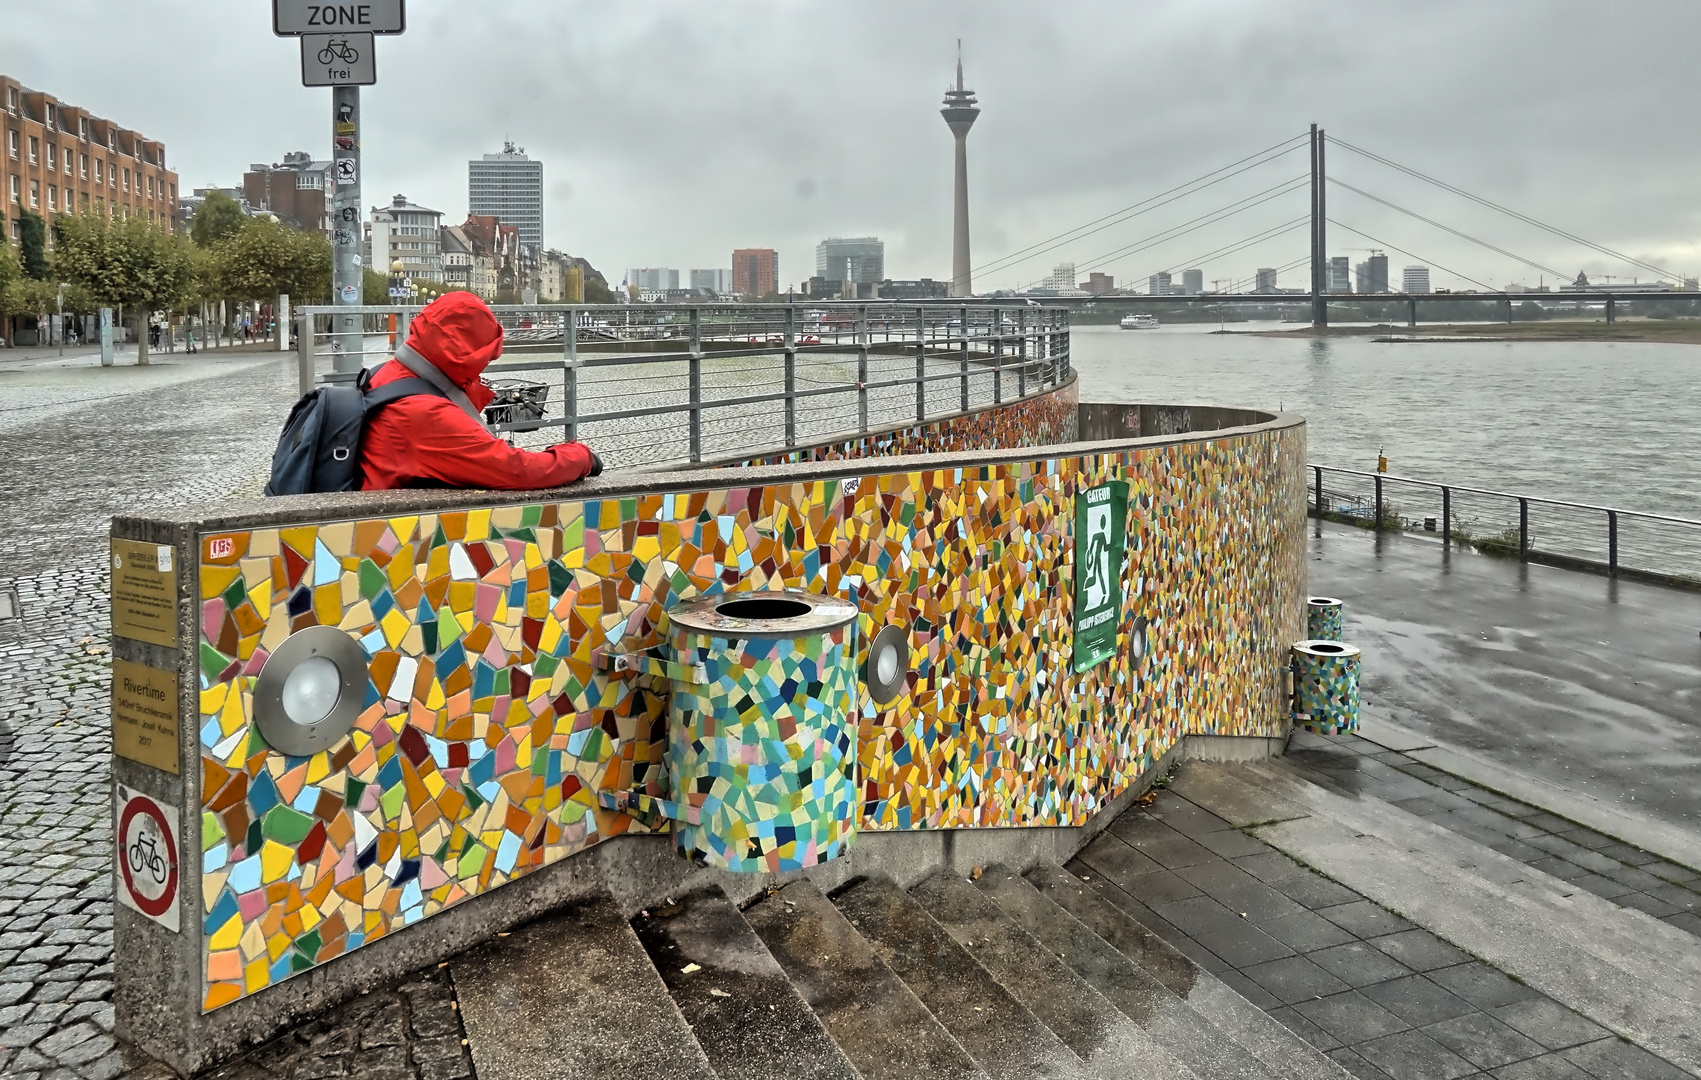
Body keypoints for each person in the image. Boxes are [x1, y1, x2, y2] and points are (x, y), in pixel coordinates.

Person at [360, 291, 602, 490]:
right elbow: (516, 471)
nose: (485, 366)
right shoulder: (426, 413)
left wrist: (470, 392)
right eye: (485, 357)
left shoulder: (385, 373)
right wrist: (581, 456)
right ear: (468, 355)